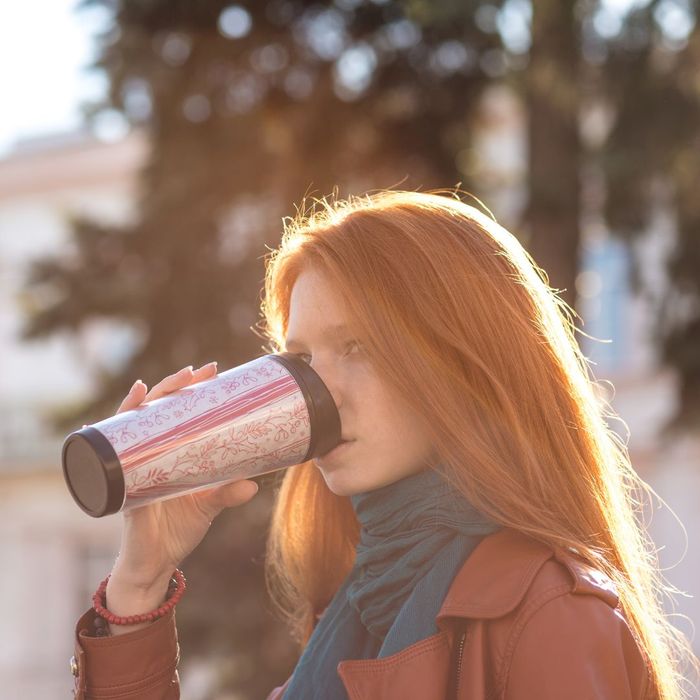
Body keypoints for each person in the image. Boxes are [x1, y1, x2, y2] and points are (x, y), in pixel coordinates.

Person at [70, 189, 698, 699]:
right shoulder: (360, 610)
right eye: (302, 357)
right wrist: (140, 585)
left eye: (360, 347)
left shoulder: (549, 613)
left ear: (466, 362)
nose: (323, 391)